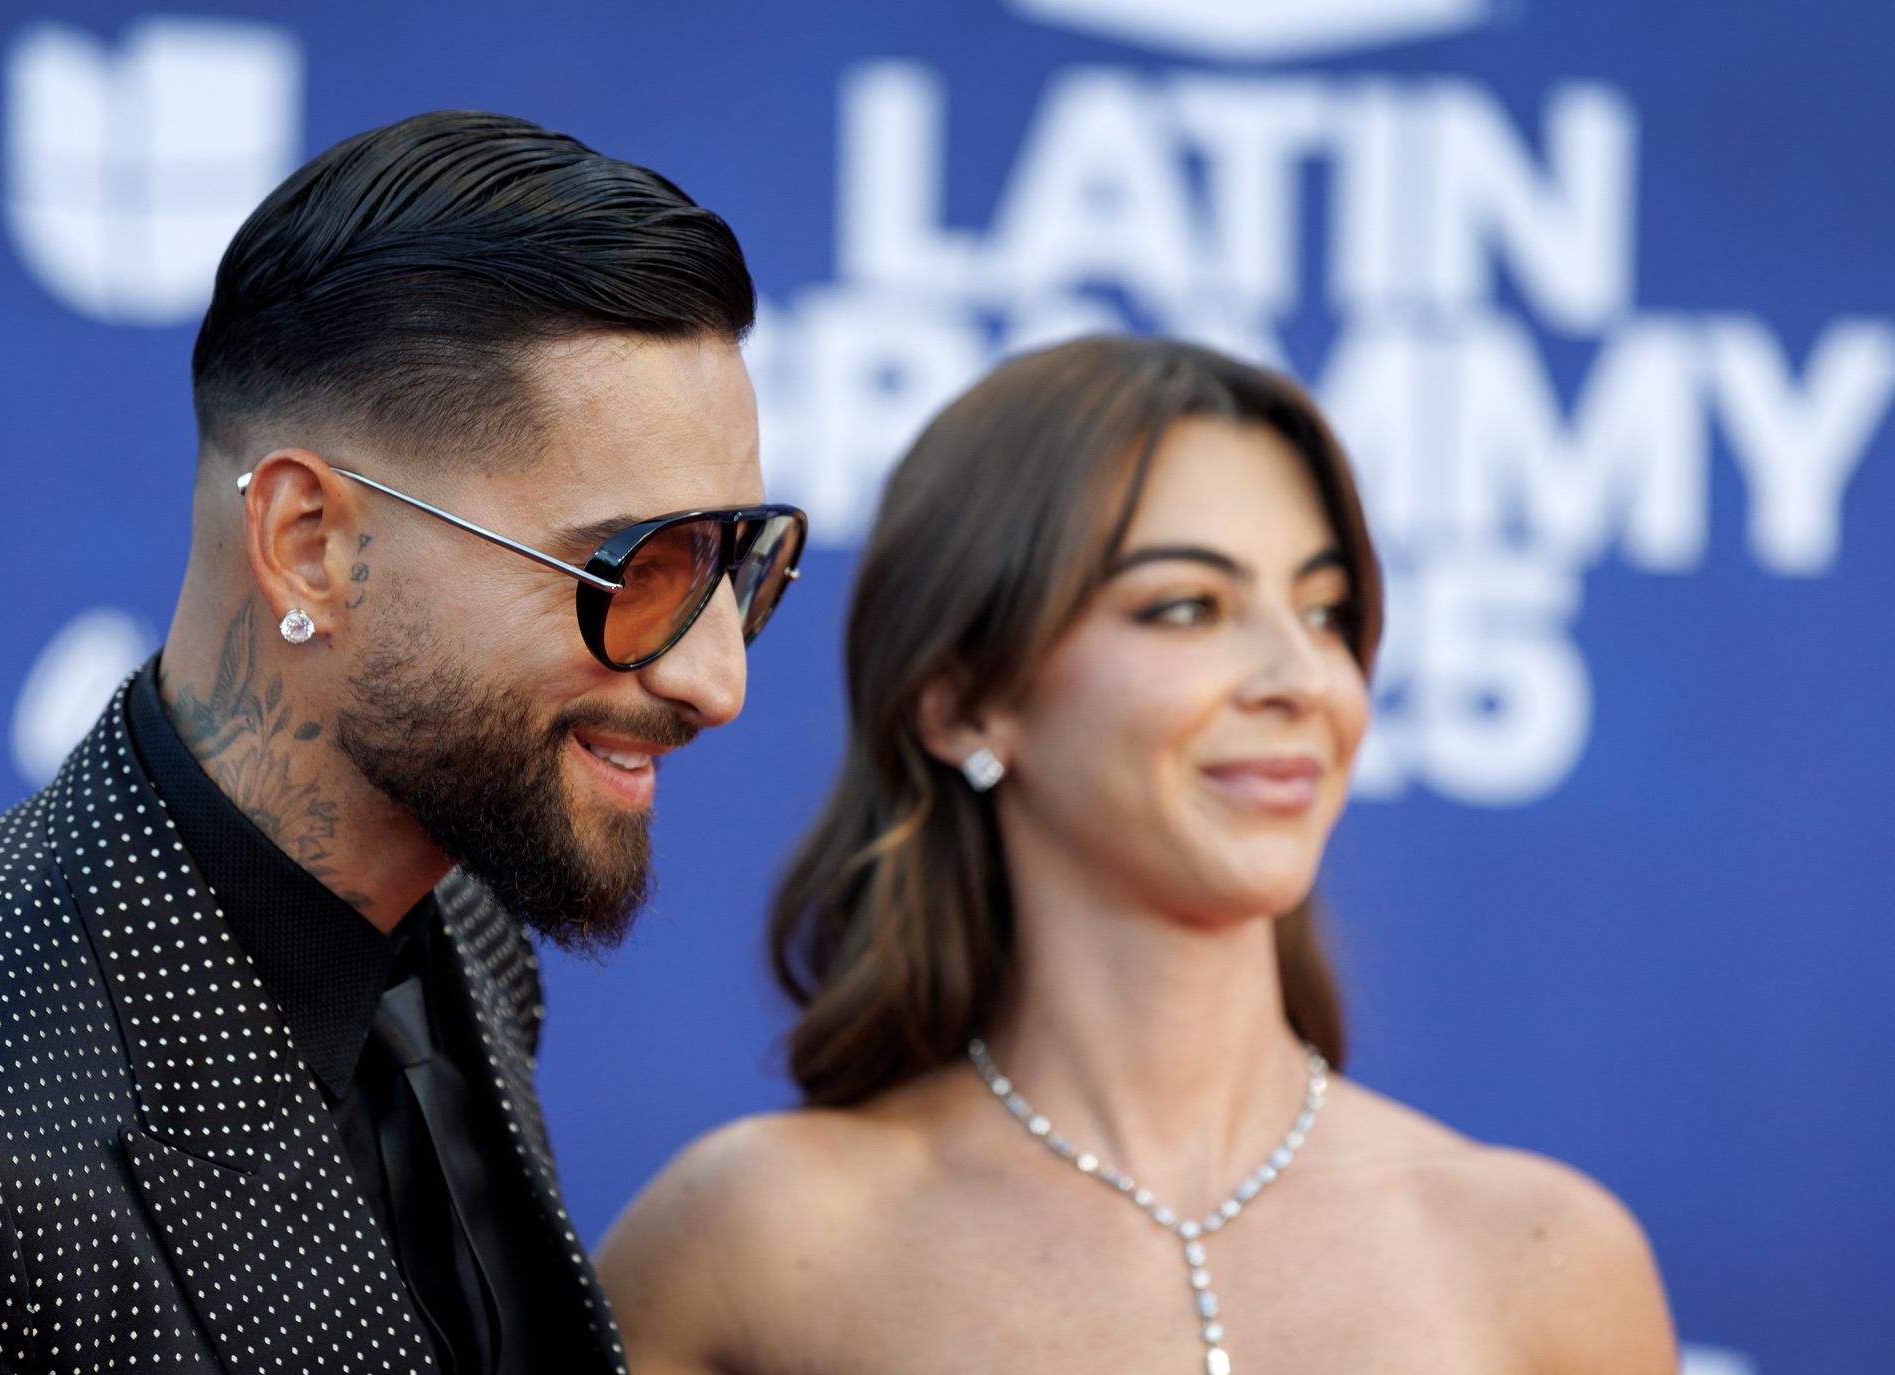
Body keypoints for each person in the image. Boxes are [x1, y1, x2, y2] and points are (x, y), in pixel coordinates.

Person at [0, 110, 804, 1373]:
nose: (718, 682)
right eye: (634, 570)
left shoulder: (468, 926)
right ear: (307, 542)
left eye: (733, 563)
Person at [597, 336, 1678, 1374]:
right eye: (1184, 607)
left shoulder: (1547, 1260)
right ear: (965, 703)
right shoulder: (750, 1247)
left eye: (1324, 611)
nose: (1296, 676)